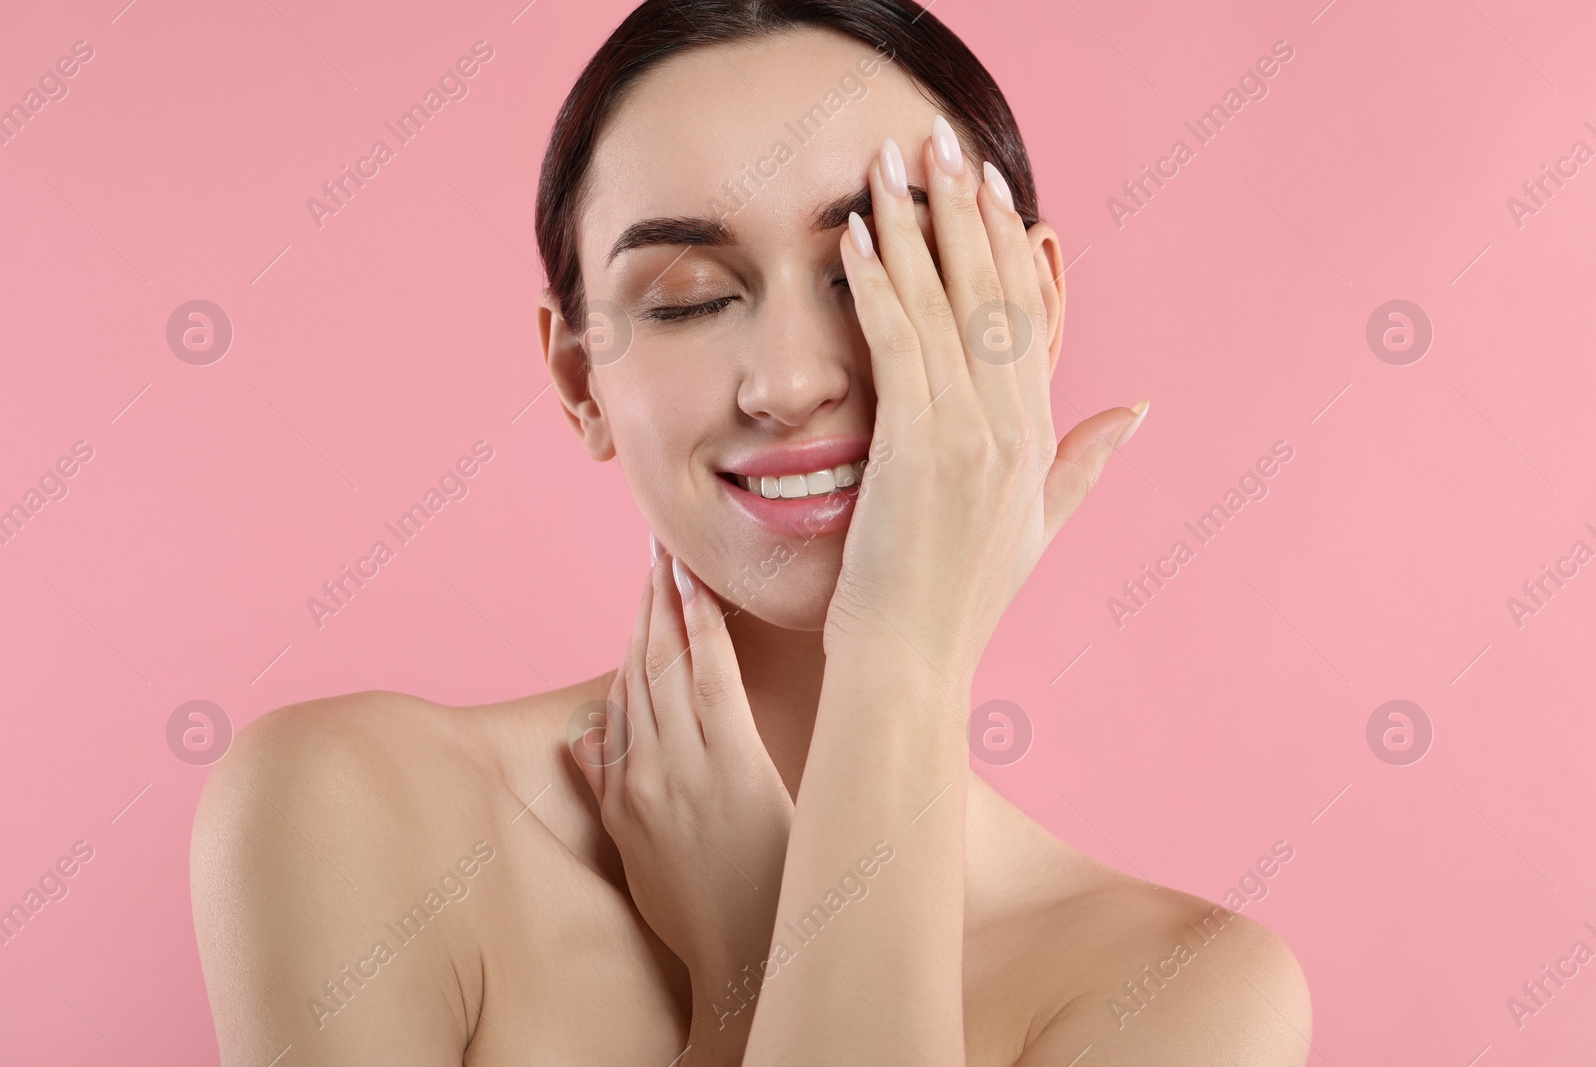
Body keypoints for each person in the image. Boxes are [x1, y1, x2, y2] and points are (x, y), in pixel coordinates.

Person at [191, 2, 1312, 1063]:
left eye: (875, 271)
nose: (784, 381)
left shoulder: (1178, 989)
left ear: (1028, 313)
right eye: (685, 297)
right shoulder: (357, 806)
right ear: (581, 378)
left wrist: (899, 670)